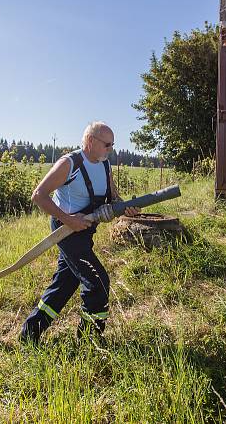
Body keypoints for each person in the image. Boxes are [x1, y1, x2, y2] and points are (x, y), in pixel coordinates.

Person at [19, 121, 139, 344]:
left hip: (85, 232)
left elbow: (114, 198)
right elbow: (39, 195)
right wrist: (68, 220)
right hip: (65, 230)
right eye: (107, 145)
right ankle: (89, 341)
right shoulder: (69, 163)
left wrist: (125, 208)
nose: (111, 150)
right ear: (91, 141)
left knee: (66, 282)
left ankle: (29, 335)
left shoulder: (104, 165)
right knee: (98, 282)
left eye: (112, 145)